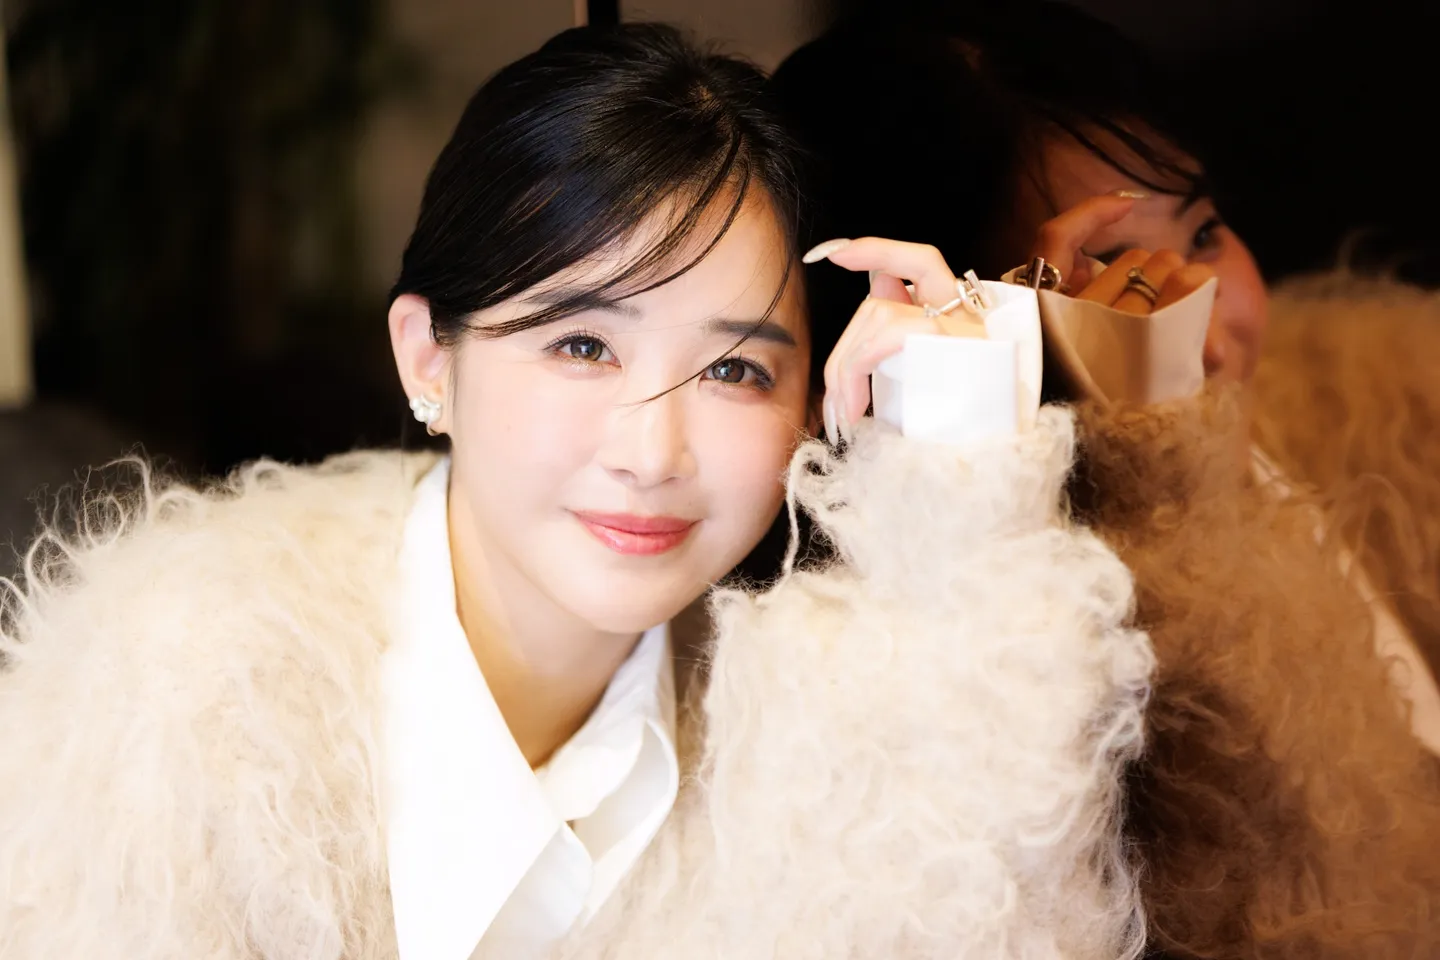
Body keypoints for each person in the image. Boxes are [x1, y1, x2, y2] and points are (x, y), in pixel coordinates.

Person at [0, 23, 1157, 960]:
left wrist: (961, 452)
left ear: (812, 403)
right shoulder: (183, 698)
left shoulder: (803, 706)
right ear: (429, 360)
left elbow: (1008, 908)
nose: (653, 453)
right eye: (583, 346)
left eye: (735, 370)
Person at [772, 5, 1440, 958]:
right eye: (1111, 286)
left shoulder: (1379, 420)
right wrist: (1156, 470)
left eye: (1202, 237)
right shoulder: (1037, 677)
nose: (1208, 336)